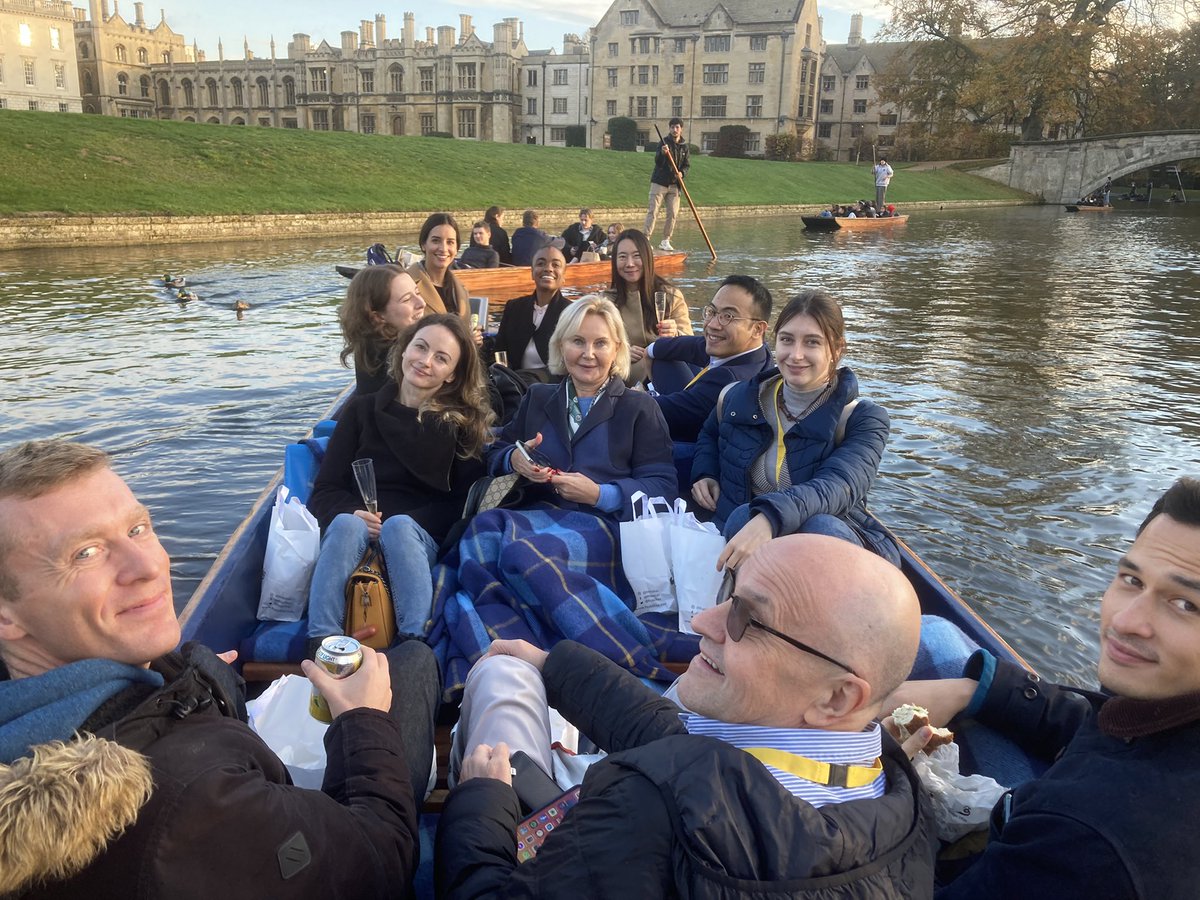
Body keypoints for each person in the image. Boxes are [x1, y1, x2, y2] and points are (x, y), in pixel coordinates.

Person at [0, 439, 438, 899]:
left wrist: (204, 680)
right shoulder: (189, 800)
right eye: (84, 554)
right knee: (412, 663)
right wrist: (364, 719)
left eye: (138, 528)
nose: (149, 565)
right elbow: (379, 862)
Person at [435, 534, 936, 897]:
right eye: (728, 595)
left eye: (747, 619)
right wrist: (555, 667)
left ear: (835, 698)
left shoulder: (649, 815)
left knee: (498, 679)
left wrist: (482, 802)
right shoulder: (903, 800)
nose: (701, 621)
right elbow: (685, 748)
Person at [888, 477, 1200, 896]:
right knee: (937, 636)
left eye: (1186, 605)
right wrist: (974, 691)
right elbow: (1108, 726)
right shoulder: (1164, 708)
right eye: (1132, 580)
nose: (1125, 621)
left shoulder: (1088, 845)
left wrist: (873, 797)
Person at [427, 296, 680, 701]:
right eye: (578, 341)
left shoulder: (638, 407)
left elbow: (663, 485)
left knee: (520, 554)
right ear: (561, 345)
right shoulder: (539, 398)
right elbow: (498, 450)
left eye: (600, 343)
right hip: (534, 516)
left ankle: (508, 655)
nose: (589, 353)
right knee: (480, 531)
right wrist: (516, 459)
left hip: (603, 530)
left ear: (616, 349)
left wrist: (601, 493)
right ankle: (509, 655)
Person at [306, 314, 493, 647]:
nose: (425, 361)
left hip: (419, 538)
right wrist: (352, 511)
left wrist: (401, 522)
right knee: (347, 525)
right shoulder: (360, 411)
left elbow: (462, 507)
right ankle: (324, 645)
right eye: (420, 348)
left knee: (399, 528)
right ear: (404, 350)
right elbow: (324, 492)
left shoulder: (463, 425)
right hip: (357, 535)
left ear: (452, 375)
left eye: (441, 358)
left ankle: (413, 644)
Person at [691, 289, 899, 572]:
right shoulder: (736, 398)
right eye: (787, 340)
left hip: (828, 550)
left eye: (812, 342)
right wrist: (705, 471)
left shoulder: (862, 418)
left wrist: (769, 517)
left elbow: (839, 485)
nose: (795, 355)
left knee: (816, 525)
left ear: (837, 349)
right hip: (745, 535)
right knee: (740, 518)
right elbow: (709, 433)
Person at [646, 273, 773, 446]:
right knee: (663, 358)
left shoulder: (729, 381)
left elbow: (660, 410)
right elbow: (695, 345)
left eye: (728, 316)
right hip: (695, 409)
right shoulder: (756, 351)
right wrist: (651, 349)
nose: (713, 324)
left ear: (758, 329)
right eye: (712, 312)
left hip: (691, 447)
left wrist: (631, 396)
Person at [607, 228, 691, 386]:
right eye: (623, 257)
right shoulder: (607, 302)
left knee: (665, 360)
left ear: (647, 258)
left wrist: (676, 334)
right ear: (615, 261)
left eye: (637, 256)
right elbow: (597, 345)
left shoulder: (671, 296)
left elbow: (692, 345)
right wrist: (620, 354)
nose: (630, 264)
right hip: (628, 375)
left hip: (669, 368)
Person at [338, 264, 426, 395]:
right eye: (407, 299)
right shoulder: (400, 359)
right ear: (378, 316)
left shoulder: (367, 347)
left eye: (417, 292)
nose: (422, 303)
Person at [490, 244, 571, 382]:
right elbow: (499, 351)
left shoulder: (571, 313)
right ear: (532, 272)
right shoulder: (514, 307)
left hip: (553, 388)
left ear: (563, 275)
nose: (548, 269)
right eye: (541, 263)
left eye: (556, 265)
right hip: (513, 386)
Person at [406, 212, 469, 319]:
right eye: (436, 241)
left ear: (457, 248)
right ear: (423, 244)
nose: (443, 249)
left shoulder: (461, 290)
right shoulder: (406, 284)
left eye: (450, 242)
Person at [644, 117, 690, 251]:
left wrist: (682, 173)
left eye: (677, 127)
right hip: (659, 182)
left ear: (681, 129)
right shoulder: (663, 143)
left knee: (673, 213)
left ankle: (665, 240)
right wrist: (663, 154)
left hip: (675, 185)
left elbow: (687, 165)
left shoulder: (684, 147)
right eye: (672, 127)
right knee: (653, 211)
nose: (675, 130)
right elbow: (658, 162)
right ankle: (646, 239)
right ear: (669, 128)